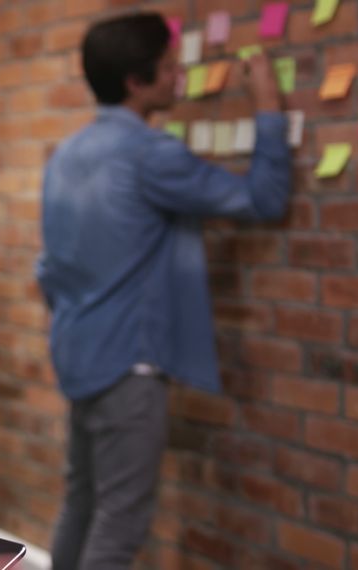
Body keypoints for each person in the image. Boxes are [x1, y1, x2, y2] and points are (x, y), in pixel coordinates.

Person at [35, 12, 291, 570]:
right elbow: (264, 200)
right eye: (171, 66)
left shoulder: (68, 155)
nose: (180, 77)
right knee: (119, 523)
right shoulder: (151, 154)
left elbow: (47, 271)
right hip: (130, 366)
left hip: (78, 354)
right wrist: (268, 104)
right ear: (136, 80)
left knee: (82, 502)